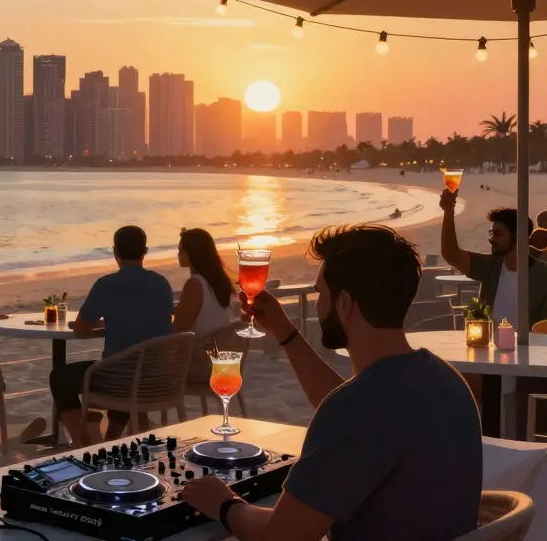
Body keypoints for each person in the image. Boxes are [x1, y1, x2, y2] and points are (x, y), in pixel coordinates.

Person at [182, 225, 481, 541]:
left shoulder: (358, 409)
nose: (316, 304)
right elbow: (356, 414)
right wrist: (285, 332)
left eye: (320, 293)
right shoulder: (445, 381)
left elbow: (281, 535)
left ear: (345, 304)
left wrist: (224, 503)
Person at [51, 225, 173, 446]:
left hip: (120, 381)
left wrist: (104, 323)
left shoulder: (106, 285)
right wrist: (114, 322)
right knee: (125, 366)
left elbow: (80, 330)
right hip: (156, 378)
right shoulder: (162, 284)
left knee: (60, 377)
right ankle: (111, 439)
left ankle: (81, 443)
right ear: (145, 251)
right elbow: (145, 318)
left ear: (114, 251)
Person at [440, 189, 547, 326]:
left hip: (529, 347)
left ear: (518, 235)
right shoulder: (491, 266)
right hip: (489, 345)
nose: (491, 240)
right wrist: (448, 211)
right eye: (491, 233)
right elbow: (451, 254)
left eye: (498, 234)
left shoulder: (542, 274)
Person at [171, 227, 233, 336]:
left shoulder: (194, 284)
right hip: (221, 344)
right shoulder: (215, 280)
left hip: (203, 348)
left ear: (193, 253)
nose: (178, 254)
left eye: (181, 250)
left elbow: (178, 329)